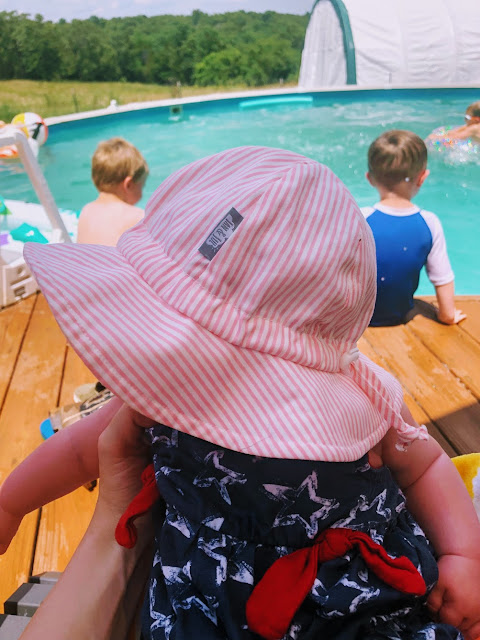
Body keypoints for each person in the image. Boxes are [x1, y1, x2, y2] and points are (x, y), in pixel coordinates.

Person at [1, 146, 480, 640]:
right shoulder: (166, 382)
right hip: (203, 602)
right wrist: (10, 502)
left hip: (356, 605)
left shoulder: (364, 398)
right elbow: (85, 449)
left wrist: (463, 555)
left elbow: (423, 465)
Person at [362, 129, 466, 326]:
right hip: (399, 316)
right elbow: (442, 278)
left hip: (354, 319)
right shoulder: (429, 222)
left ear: (370, 178)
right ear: (422, 178)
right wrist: (448, 315)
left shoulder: (360, 218)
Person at [76, 137, 149, 246]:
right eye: (142, 186)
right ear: (128, 185)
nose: (142, 192)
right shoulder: (137, 216)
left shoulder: (86, 210)